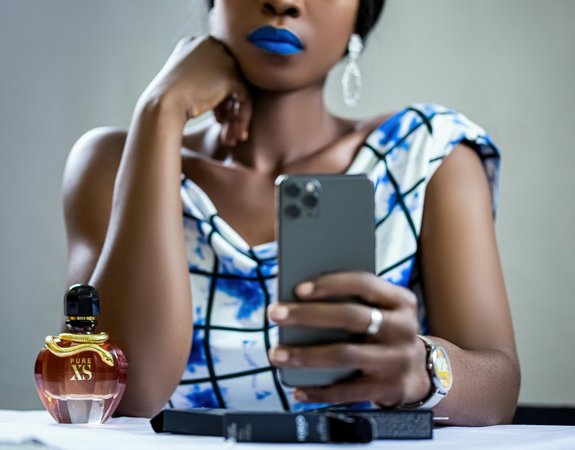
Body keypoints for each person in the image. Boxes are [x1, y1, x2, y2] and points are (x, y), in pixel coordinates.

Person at [63, 0, 520, 425]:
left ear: (361, 14)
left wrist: (425, 369)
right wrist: (162, 110)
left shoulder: (426, 156)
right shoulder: (113, 164)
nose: (284, 2)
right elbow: (125, 392)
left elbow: (499, 390)